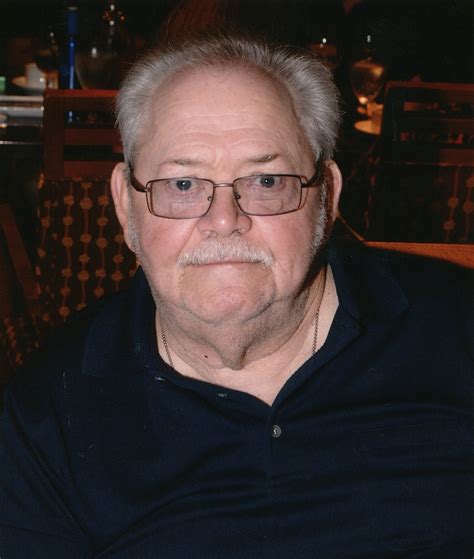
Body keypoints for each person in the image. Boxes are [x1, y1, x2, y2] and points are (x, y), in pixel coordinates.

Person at [0, 33, 472, 558]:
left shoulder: (458, 331)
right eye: (183, 185)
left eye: (266, 180)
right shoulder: (48, 411)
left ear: (327, 197)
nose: (224, 220)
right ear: (125, 207)